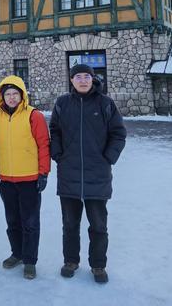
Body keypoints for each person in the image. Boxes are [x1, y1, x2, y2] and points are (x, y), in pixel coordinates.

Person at [49, 64, 126, 284]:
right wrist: (58, 154)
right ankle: (71, 261)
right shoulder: (63, 103)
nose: (83, 80)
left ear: (93, 79)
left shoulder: (105, 104)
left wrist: (108, 157)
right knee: (70, 224)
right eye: (78, 77)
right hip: (69, 173)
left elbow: (118, 133)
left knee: (99, 225)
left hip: (97, 175)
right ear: (71, 80)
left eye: (87, 76)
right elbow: (54, 130)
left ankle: (98, 265)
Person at [0, 75, 50, 280]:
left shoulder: (34, 116)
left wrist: (43, 173)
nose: (12, 97)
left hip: (30, 178)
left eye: (16, 93)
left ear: (22, 94)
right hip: (7, 179)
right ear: (2, 96)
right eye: (8, 94)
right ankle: (17, 253)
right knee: (12, 220)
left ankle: (30, 261)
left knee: (30, 222)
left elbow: (44, 145)